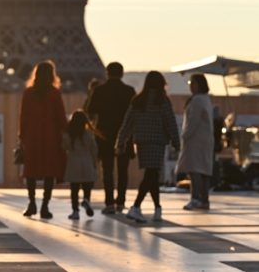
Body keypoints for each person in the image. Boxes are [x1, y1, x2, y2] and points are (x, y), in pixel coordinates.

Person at [116, 71, 180, 223]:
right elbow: (170, 122)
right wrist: (176, 142)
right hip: (157, 141)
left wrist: (121, 141)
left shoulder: (138, 100)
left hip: (142, 142)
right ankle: (136, 207)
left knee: (151, 174)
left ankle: (157, 209)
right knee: (151, 174)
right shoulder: (162, 100)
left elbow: (127, 122)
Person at [18, 60, 67, 219]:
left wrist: (22, 136)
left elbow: (23, 117)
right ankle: (45, 206)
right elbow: (61, 117)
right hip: (51, 137)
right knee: (49, 172)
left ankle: (31, 203)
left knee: (31, 171)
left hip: (32, 137)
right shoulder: (54, 93)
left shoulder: (29, 93)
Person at [86, 62, 136, 214]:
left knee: (107, 170)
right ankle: (120, 202)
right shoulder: (129, 91)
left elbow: (90, 111)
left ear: (107, 73)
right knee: (123, 170)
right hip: (124, 134)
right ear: (121, 73)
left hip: (105, 134)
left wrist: (95, 129)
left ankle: (109, 203)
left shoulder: (100, 91)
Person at [176, 74, 214, 210]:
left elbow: (192, 121)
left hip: (195, 141)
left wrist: (184, 136)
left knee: (195, 170)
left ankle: (196, 198)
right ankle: (204, 200)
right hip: (204, 141)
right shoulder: (205, 99)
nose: (191, 86)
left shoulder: (198, 100)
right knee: (203, 171)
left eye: (193, 83)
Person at [63, 110, 99, 220]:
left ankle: (75, 211)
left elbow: (64, 147)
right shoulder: (88, 134)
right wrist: (94, 163)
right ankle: (86, 200)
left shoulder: (69, 135)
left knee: (74, 190)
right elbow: (94, 150)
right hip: (87, 163)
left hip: (74, 163)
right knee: (87, 187)